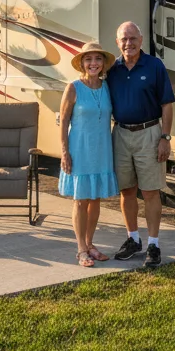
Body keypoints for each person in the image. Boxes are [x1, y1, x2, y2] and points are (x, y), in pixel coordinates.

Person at [107, 21, 174, 267]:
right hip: (121, 134)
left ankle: (153, 244)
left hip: (149, 133)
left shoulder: (155, 66)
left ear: (141, 40)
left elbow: (167, 104)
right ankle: (133, 239)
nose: (128, 43)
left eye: (133, 38)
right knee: (126, 190)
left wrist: (165, 137)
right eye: (124, 39)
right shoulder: (111, 69)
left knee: (150, 191)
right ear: (117, 43)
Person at [58, 40, 120, 267]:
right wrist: (64, 152)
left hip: (102, 150)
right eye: (88, 59)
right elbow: (63, 122)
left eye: (97, 59)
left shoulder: (106, 87)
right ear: (82, 63)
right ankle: (81, 249)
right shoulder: (73, 88)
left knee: (95, 200)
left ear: (103, 63)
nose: (93, 63)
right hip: (80, 150)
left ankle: (90, 243)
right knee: (81, 200)